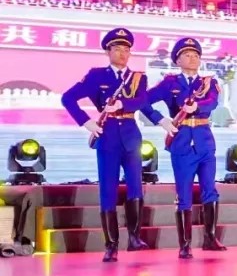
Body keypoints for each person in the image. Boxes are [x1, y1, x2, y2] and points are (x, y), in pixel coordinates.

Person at [60, 27, 177, 262]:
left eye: (126, 50)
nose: (123, 54)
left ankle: (134, 238)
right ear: (108, 51)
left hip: (131, 137)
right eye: (117, 49)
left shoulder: (138, 78)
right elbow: (68, 98)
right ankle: (111, 245)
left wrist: (160, 120)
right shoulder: (96, 76)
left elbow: (142, 103)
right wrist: (87, 122)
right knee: (108, 189)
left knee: (135, 187)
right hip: (108, 136)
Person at [139, 38, 227, 259]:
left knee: (210, 190)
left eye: (196, 55)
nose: (193, 58)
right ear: (177, 60)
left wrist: (198, 105)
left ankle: (210, 238)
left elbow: (213, 101)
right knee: (184, 194)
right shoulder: (170, 83)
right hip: (182, 143)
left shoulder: (208, 82)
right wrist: (161, 120)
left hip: (205, 142)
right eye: (187, 55)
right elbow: (143, 100)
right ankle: (185, 244)